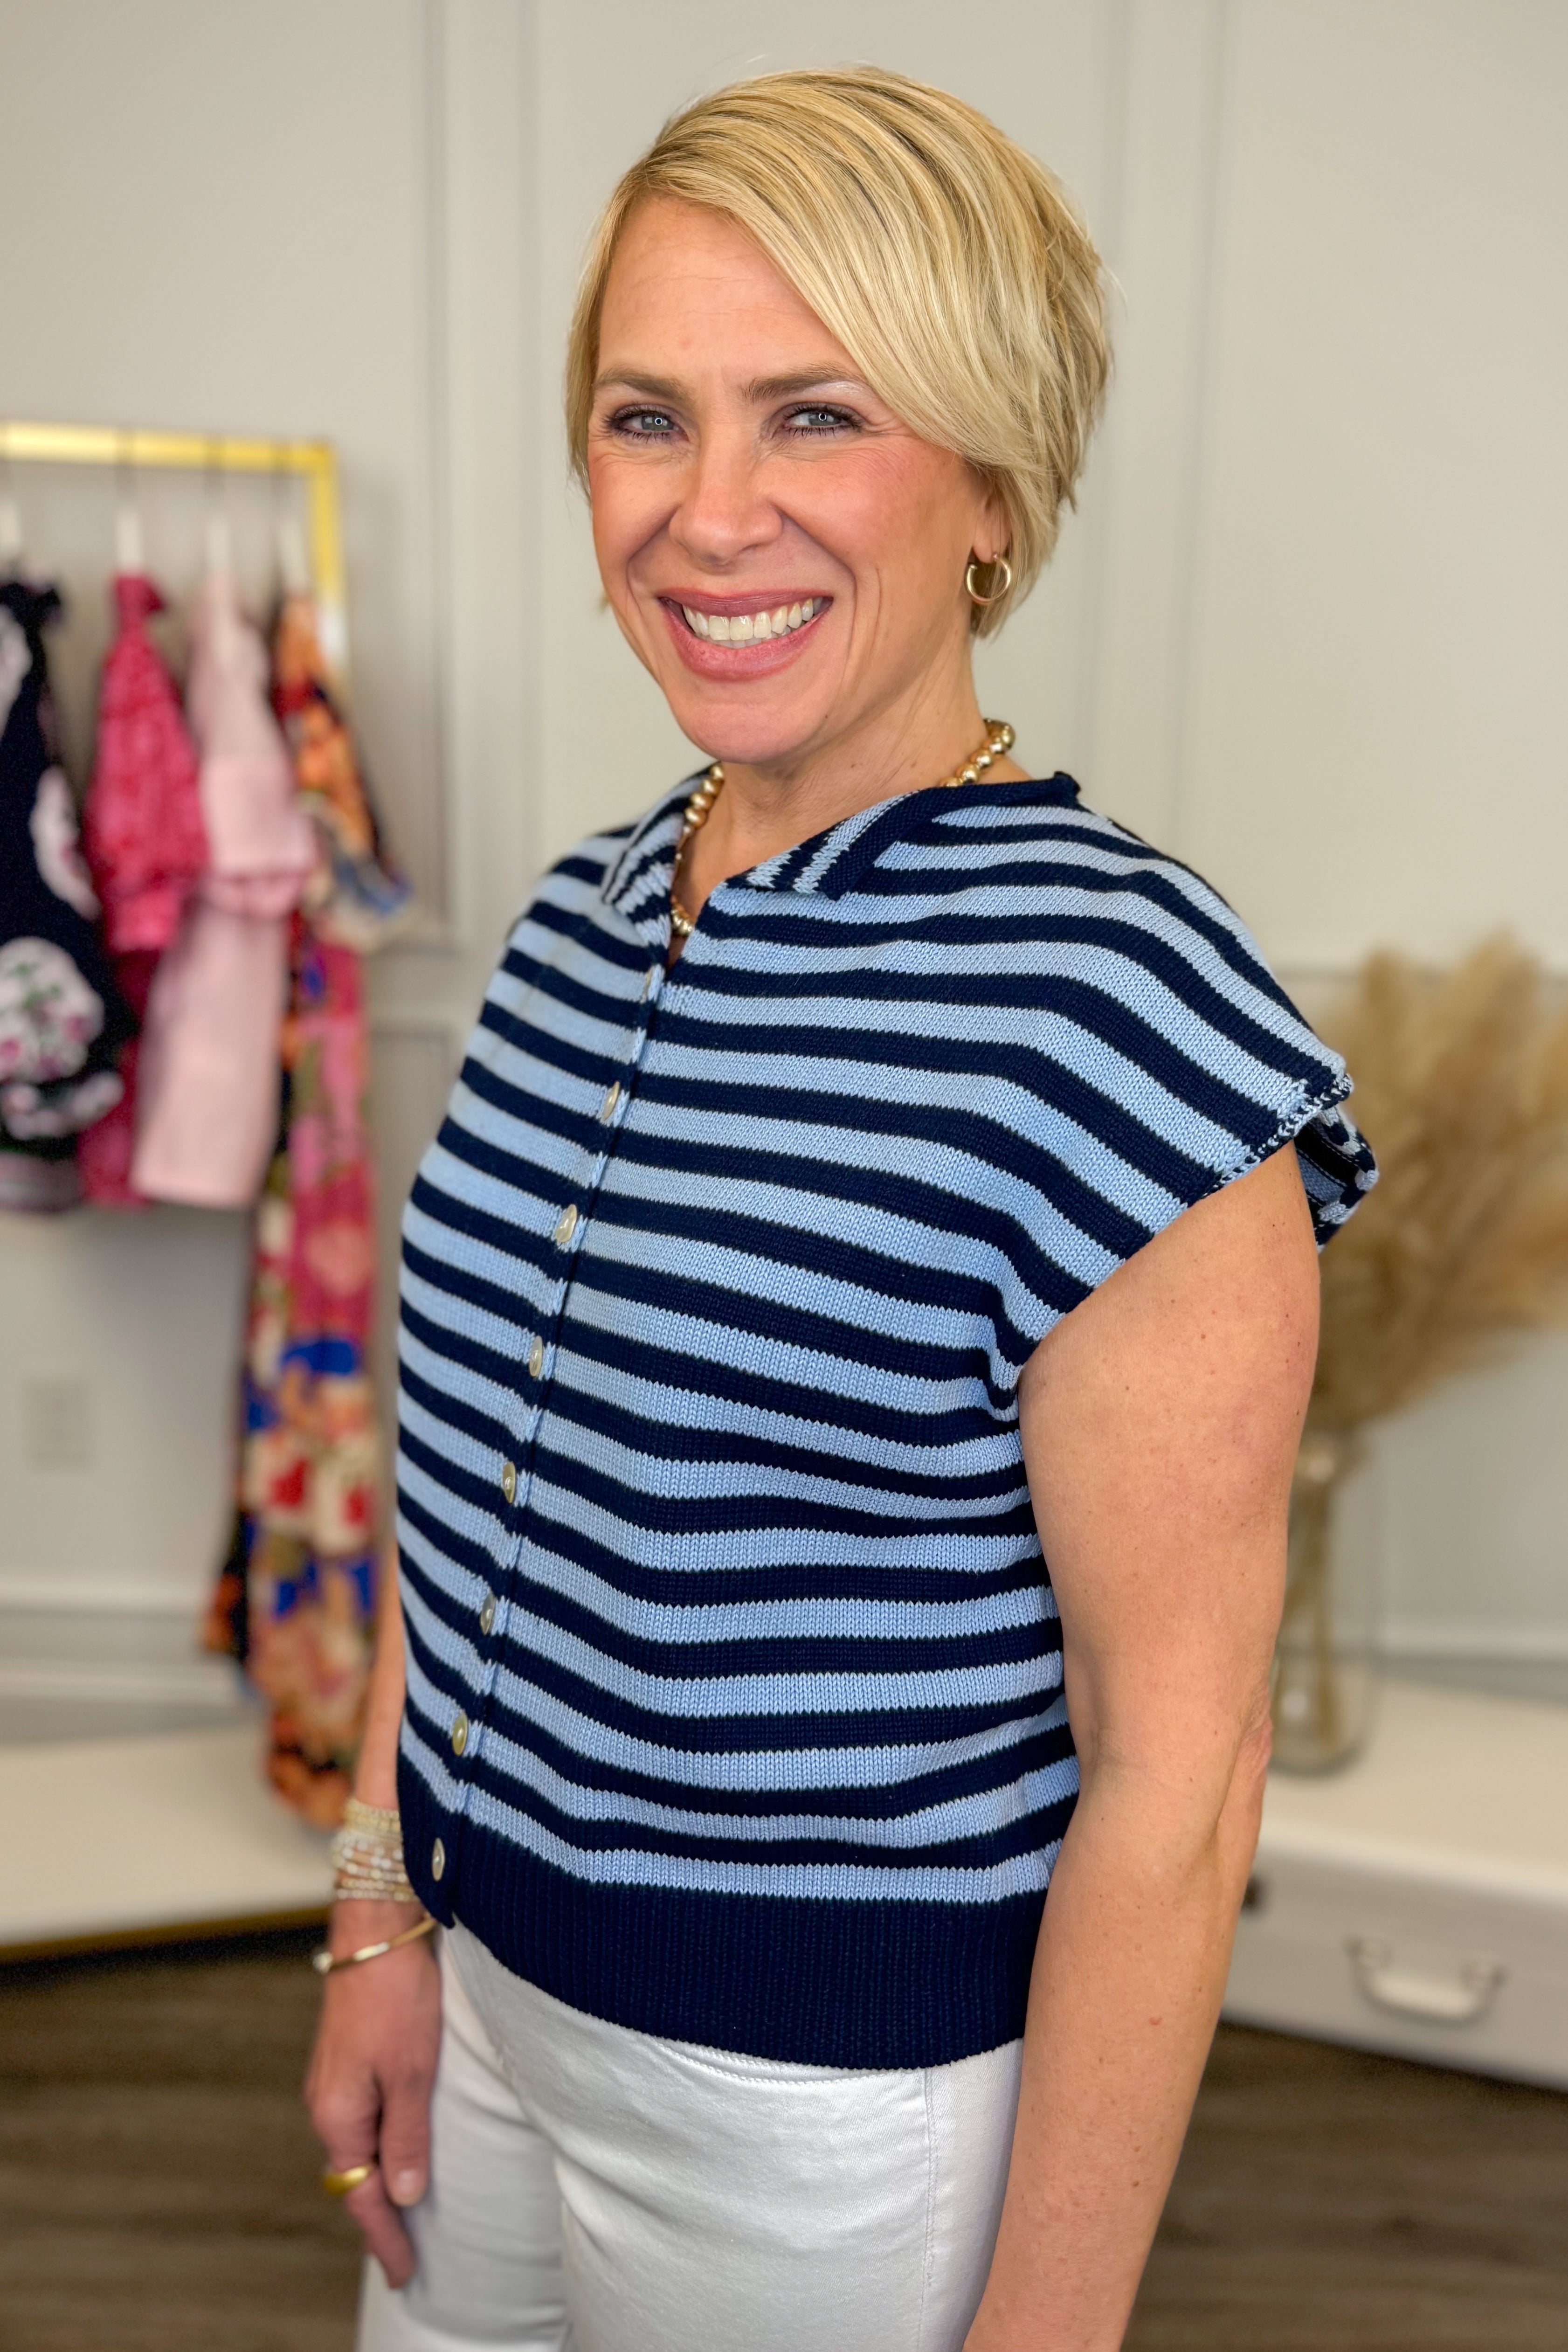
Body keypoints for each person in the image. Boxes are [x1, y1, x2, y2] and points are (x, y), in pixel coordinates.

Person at [307, 65, 1375, 2352]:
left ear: (989, 485)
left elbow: (1179, 1779)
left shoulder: (1123, 1008)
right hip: (485, 2014)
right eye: (643, 416)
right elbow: (468, 1493)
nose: (707, 515)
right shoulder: (583, 920)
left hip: (812, 2117)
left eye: (813, 417)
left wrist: (1044, 2332)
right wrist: (387, 1922)